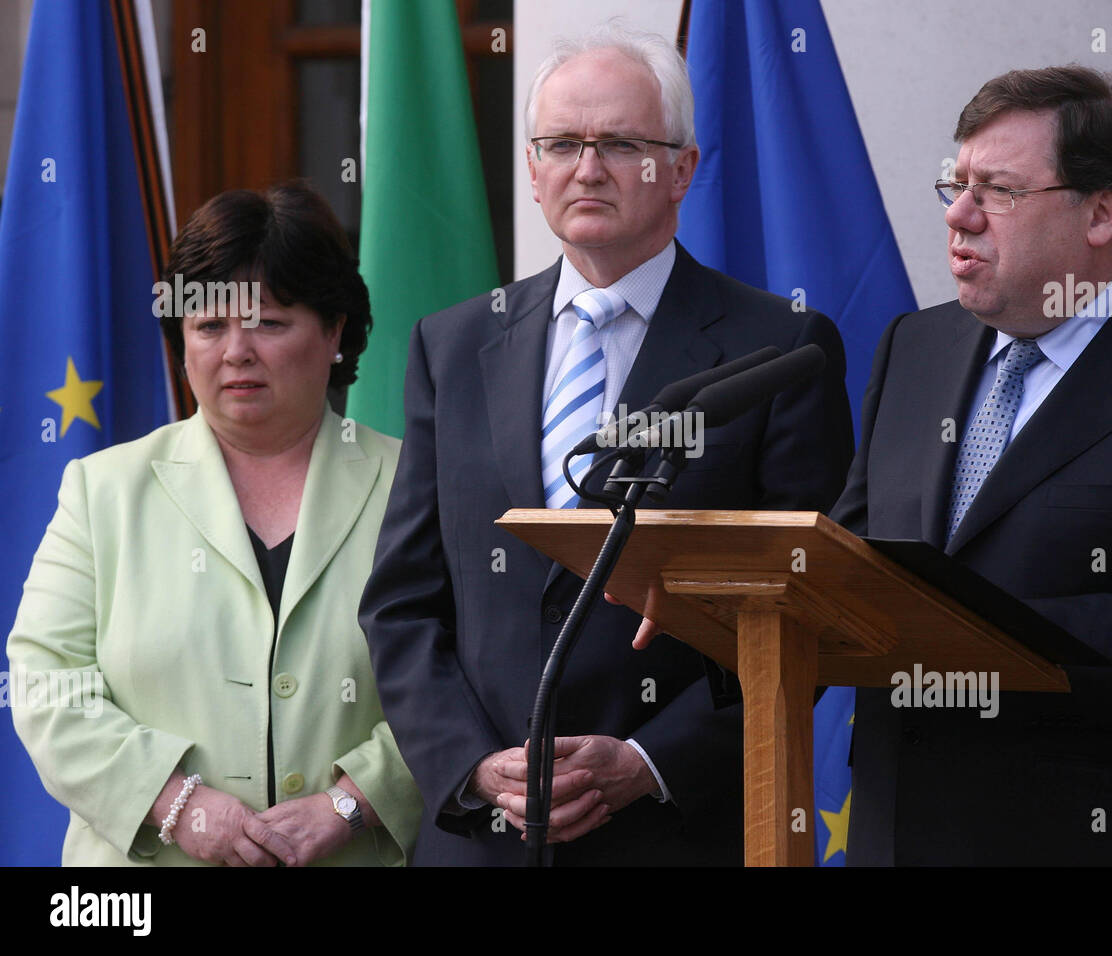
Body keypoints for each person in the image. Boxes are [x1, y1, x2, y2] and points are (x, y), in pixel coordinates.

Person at [359, 24, 853, 866]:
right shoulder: (453, 344)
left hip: (676, 832)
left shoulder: (779, 350)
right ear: (532, 168)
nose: (586, 169)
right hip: (487, 838)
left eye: (620, 144)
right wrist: (475, 767)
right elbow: (403, 602)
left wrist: (652, 761)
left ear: (683, 170)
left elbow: (809, 609)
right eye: (561, 144)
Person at [826, 66, 1112, 864]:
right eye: (955, 184)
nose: (960, 216)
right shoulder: (914, 346)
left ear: (1102, 212)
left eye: (998, 191)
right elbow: (853, 554)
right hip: (899, 831)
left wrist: (998, 634)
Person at [7, 182, 422, 866]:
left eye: (267, 321)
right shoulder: (102, 490)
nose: (236, 350)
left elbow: (469, 679)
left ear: (334, 330)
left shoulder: (417, 488)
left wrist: (355, 800)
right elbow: (46, 683)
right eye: (208, 324)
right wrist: (175, 804)